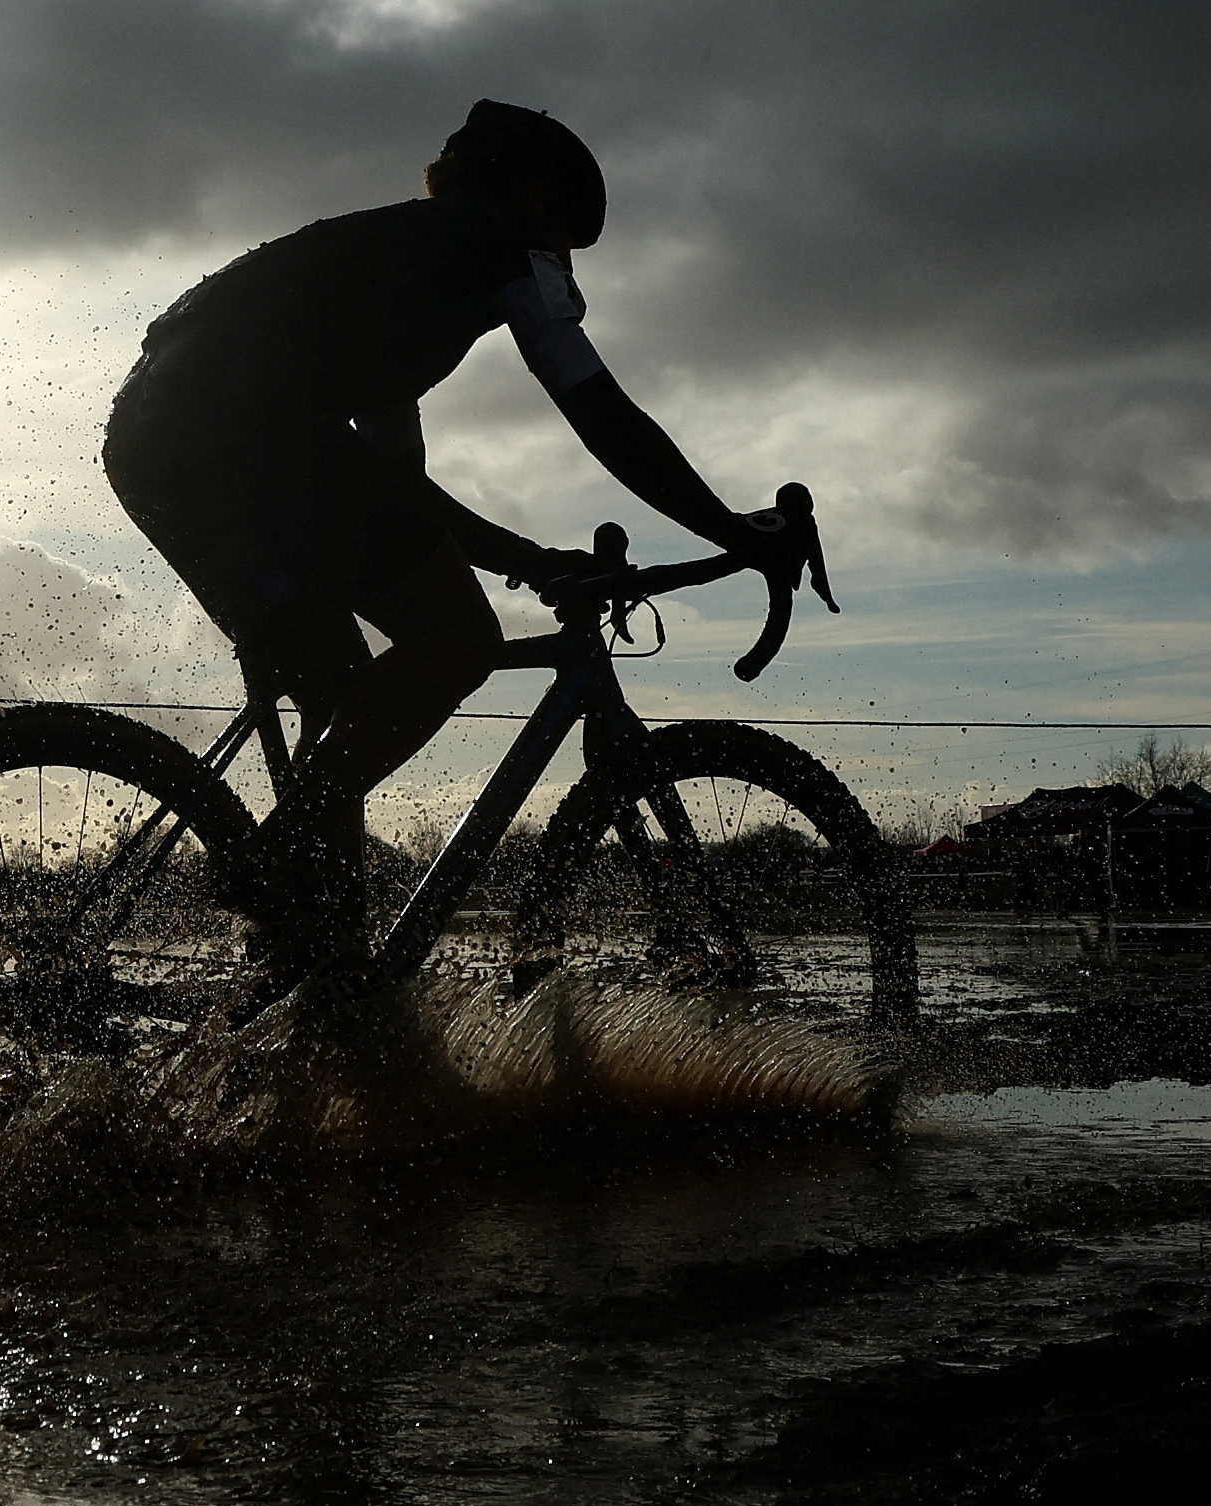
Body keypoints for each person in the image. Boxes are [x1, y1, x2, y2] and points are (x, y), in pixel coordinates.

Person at [102, 99, 801, 969]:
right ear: (536, 200)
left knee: (344, 700)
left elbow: (399, 493)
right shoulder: (490, 244)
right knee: (459, 637)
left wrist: (528, 560)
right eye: (568, 241)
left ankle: (318, 966)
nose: (564, 267)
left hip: (150, 439)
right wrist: (734, 530)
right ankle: (273, 862)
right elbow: (600, 412)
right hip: (246, 432)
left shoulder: (388, 278)